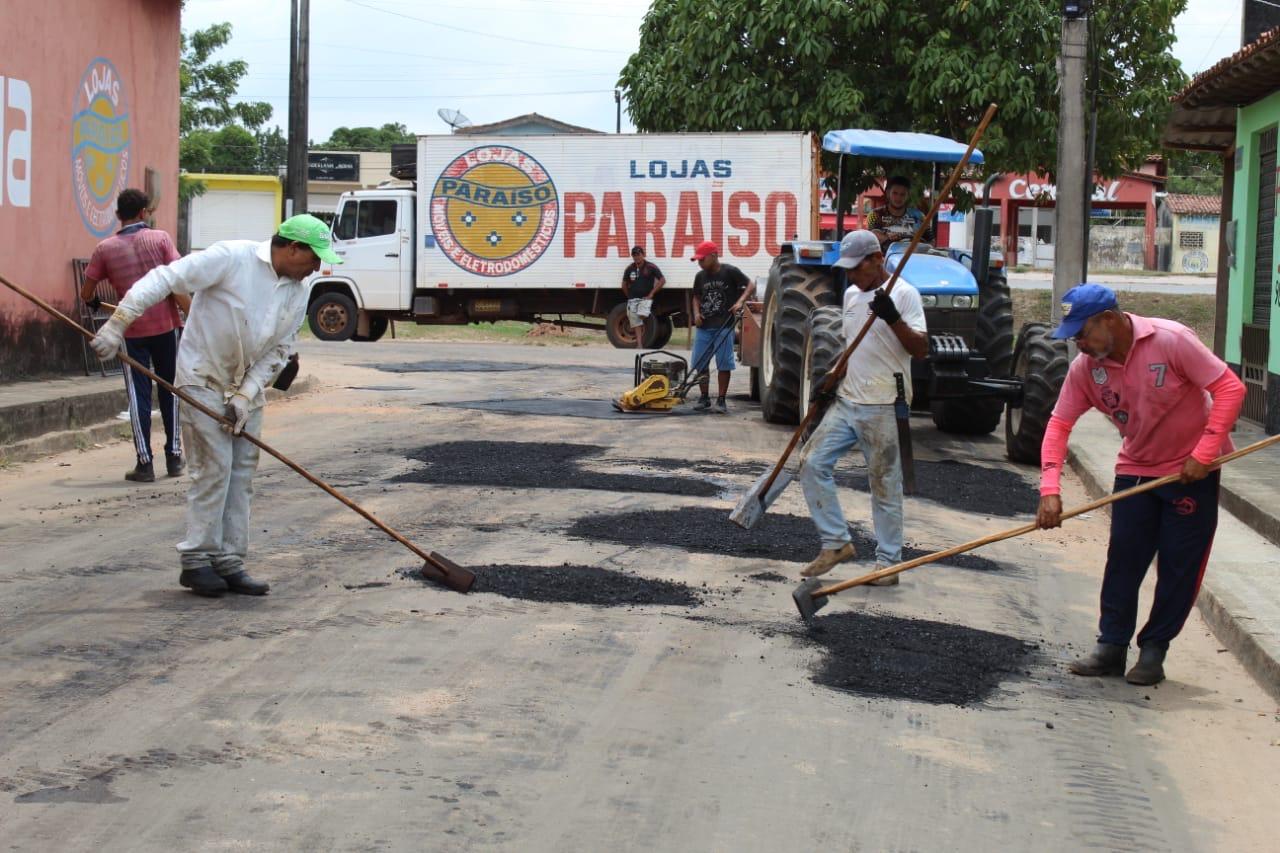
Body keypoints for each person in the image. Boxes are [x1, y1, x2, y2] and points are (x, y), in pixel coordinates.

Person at [89, 215, 341, 598]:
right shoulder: (231, 258)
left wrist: (245, 395)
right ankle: (196, 560)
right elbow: (165, 279)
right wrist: (118, 323)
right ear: (292, 248)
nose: (317, 267)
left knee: (241, 473)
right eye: (314, 257)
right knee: (213, 469)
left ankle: (229, 560)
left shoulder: (299, 289)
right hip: (202, 377)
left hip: (245, 388)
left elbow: (280, 348)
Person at [1035, 284, 1245, 686]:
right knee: (1124, 561)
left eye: (1083, 333)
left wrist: (1204, 452)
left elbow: (1230, 389)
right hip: (1136, 470)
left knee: (1179, 566)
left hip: (1191, 474)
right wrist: (1050, 489)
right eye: (1074, 336)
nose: (1079, 343)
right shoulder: (1086, 369)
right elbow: (1059, 423)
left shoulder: (1171, 341)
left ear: (1109, 320)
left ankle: (1154, 650)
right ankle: (1111, 646)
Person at [798, 230, 928, 582]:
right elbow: (853, 344)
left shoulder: (904, 294)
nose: (851, 274)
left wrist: (892, 318)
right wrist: (831, 376)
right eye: (849, 269)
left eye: (857, 267)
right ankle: (836, 542)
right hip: (847, 401)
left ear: (876, 260)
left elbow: (920, 349)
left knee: (884, 485)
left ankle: (888, 563)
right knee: (811, 463)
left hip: (885, 405)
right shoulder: (851, 295)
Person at [82, 188, 191, 482]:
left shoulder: (105, 249)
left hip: (130, 331)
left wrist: (92, 302)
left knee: (138, 395)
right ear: (144, 213)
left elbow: (87, 293)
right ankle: (174, 456)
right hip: (167, 328)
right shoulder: (161, 239)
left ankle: (145, 463)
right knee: (172, 390)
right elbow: (177, 284)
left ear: (118, 215)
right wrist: (192, 316)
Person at [690, 240, 751, 413]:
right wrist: (696, 314)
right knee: (700, 362)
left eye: (702, 259)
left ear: (714, 256)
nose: (700, 263)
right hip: (704, 326)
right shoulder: (700, 277)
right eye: (698, 260)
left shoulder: (729, 271)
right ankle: (704, 398)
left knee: (723, 363)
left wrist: (740, 302)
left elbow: (750, 285)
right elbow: (695, 297)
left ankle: (721, 400)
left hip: (724, 325)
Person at [865, 175, 932, 251]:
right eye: (895, 193)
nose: (898, 198)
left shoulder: (920, 216)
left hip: (913, 258)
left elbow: (931, 241)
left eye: (902, 194)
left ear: (908, 195)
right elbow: (871, 237)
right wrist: (887, 238)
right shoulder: (875, 214)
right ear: (888, 193)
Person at [621, 245, 665, 350]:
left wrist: (651, 294)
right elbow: (624, 284)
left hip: (645, 299)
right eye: (634, 255)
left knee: (642, 315)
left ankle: (644, 335)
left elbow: (662, 280)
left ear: (643, 255)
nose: (636, 257)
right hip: (632, 299)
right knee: (635, 322)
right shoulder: (629, 268)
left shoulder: (651, 267)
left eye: (638, 254)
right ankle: (640, 345)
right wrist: (629, 296)